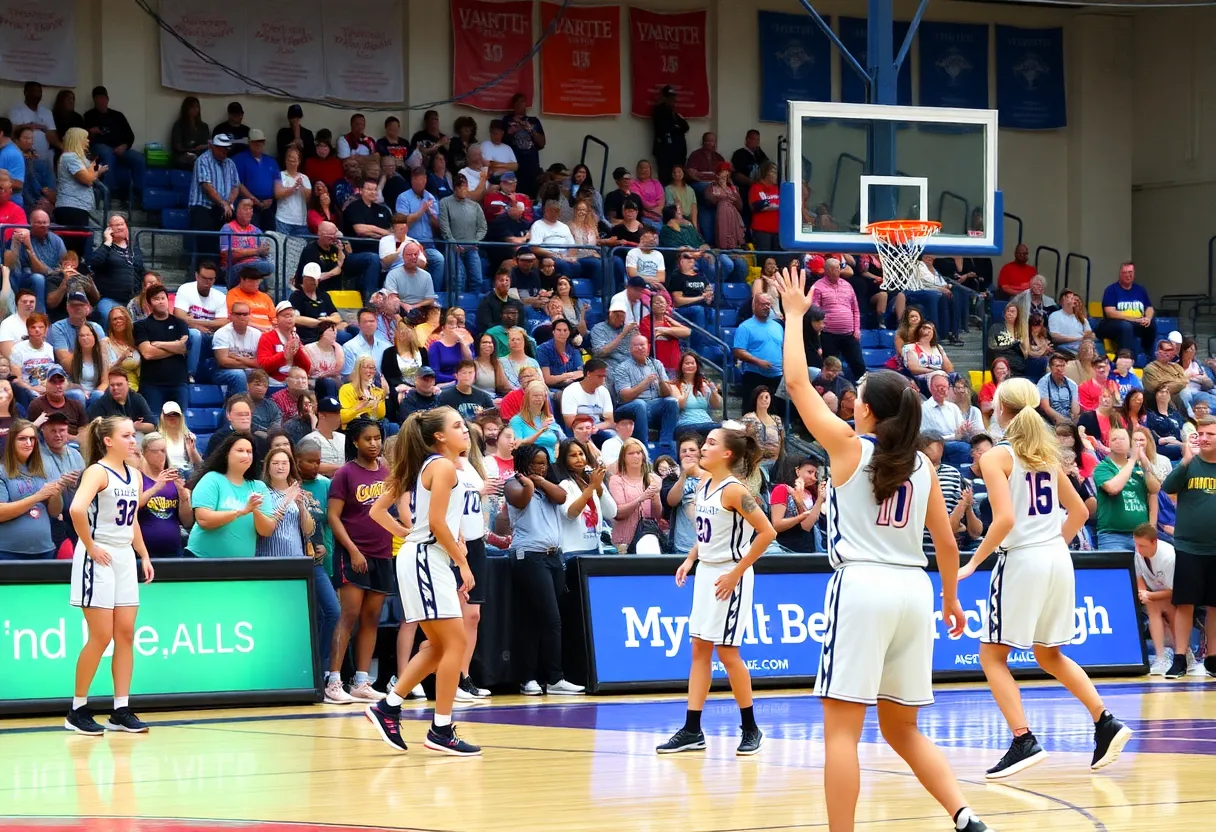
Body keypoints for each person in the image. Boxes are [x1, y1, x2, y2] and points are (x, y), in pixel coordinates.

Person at [775, 266, 992, 832]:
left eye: (857, 396)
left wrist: (795, 318)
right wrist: (951, 600)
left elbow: (797, 386)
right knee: (902, 728)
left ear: (867, 410)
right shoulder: (921, 463)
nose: (850, 401)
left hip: (865, 587)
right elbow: (945, 541)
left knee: (842, 732)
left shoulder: (849, 449)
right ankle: (965, 817)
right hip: (914, 592)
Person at [957, 377, 1132, 778]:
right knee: (1048, 653)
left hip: (1022, 560)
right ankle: (1105, 721)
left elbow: (1003, 520)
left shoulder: (997, 457)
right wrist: (1050, 544)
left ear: (1000, 409)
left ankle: (1023, 740)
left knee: (992, 655)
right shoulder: (1045, 454)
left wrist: (973, 563)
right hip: (1057, 556)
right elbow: (1081, 513)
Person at [364, 408, 481, 754]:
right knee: (454, 644)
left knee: (438, 647)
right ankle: (440, 730)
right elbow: (436, 524)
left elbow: (381, 512)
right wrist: (463, 564)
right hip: (427, 560)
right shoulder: (441, 466)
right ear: (439, 436)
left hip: (429, 558)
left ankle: (388, 706)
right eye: (457, 425)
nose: (466, 430)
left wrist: (428, 537)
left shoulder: (434, 466)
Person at [655, 424, 776, 755]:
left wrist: (736, 573)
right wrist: (691, 558)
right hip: (707, 571)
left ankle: (751, 728)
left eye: (709, 444)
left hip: (729, 574)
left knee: (727, 652)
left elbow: (767, 533)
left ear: (727, 454)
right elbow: (707, 532)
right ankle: (692, 729)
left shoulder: (736, 491)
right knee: (699, 649)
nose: (701, 448)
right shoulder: (705, 482)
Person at [65, 417, 153, 735]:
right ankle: (77, 709)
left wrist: (143, 554)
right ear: (108, 441)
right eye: (127, 435)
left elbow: (132, 521)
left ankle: (120, 710)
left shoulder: (134, 475)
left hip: (124, 556)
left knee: (126, 634)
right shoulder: (97, 471)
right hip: (97, 555)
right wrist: (90, 546)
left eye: (134, 435)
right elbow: (76, 510)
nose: (134, 440)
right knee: (101, 637)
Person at [504, 443, 584, 696]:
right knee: (550, 618)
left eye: (544, 462)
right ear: (524, 463)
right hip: (529, 556)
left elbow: (562, 497)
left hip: (553, 558)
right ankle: (554, 677)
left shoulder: (550, 487)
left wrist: (540, 480)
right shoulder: (514, 483)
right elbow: (521, 498)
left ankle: (531, 678)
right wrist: (531, 482)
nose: (541, 466)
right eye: (536, 462)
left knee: (536, 620)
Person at [325, 419, 393, 704]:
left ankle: (362, 681)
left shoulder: (387, 471)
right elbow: (333, 517)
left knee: (371, 619)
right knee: (349, 615)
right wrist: (352, 550)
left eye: (377, 438)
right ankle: (334, 680)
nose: (374, 444)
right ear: (355, 442)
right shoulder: (345, 474)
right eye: (368, 439)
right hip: (353, 553)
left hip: (382, 552)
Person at [1160, 417, 1216, 679]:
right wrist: (1184, 459)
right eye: (1200, 434)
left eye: (1210, 434)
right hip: (1189, 546)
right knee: (1185, 603)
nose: (1204, 438)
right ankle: (1181, 658)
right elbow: (1167, 487)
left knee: (1215, 606)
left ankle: (1213, 658)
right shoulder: (1189, 464)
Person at [0, 418, 62, 560]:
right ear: (11, 442)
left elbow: (54, 512)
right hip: (9, 552)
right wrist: (37, 497)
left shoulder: (43, 470)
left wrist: (56, 491)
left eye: (32, 439)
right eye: (22, 438)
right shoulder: (2, 472)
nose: (28, 443)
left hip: (45, 549)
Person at [134, 284, 189, 416]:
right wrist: (175, 347)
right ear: (149, 304)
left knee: (180, 425)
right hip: (152, 384)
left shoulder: (179, 323)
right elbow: (147, 353)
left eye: (163, 298)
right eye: (156, 299)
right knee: (154, 425)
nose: (160, 301)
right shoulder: (141, 326)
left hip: (178, 382)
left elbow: (184, 347)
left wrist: (159, 344)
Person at [555, 438, 614, 559]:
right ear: (565, 460)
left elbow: (612, 513)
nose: (579, 458)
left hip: (596, 549)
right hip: (572, 551)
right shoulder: (564, 485)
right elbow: (571, 513)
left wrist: (598, 488)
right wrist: (591, 487)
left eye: (581, 454)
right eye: (573, 455)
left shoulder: (594, 482)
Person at [136, 432, 193, 558]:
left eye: (164, 451)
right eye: (157, 451)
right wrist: (156, 487)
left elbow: (187, 522)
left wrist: (184, 496)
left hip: (173, 549)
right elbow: (135, 506)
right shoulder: (137, 477)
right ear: (144, 452)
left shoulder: (175, 477)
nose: (162, 455)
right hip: (143, 551)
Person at [1096, 262, 1155, 359]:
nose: (1128, 275)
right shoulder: (1111, 289)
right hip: (1112, 324)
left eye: (1130, 272)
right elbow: (1110, 312)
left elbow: (1149, 308)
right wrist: (1133, 319)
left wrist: (1147, 318)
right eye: (1124, 272)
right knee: (1126, 327)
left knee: (1151, 324)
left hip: (1136, 323)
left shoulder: (1140, 290)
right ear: (1120, 274)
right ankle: (1127, 359)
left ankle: (1149, 356)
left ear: (1134, 273)